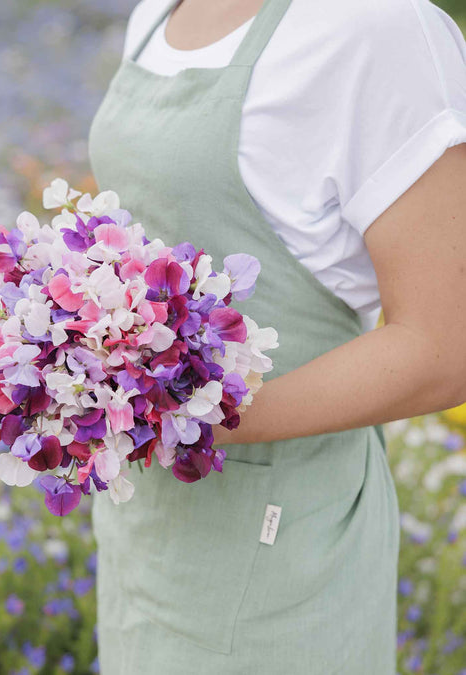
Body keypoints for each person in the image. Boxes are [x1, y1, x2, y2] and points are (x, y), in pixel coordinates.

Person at [87, 0, 466, 672]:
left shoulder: (378, 28)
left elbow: (443, 346)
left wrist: (192, 414)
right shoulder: (155, 11)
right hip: (149, 526)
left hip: (282, 542)